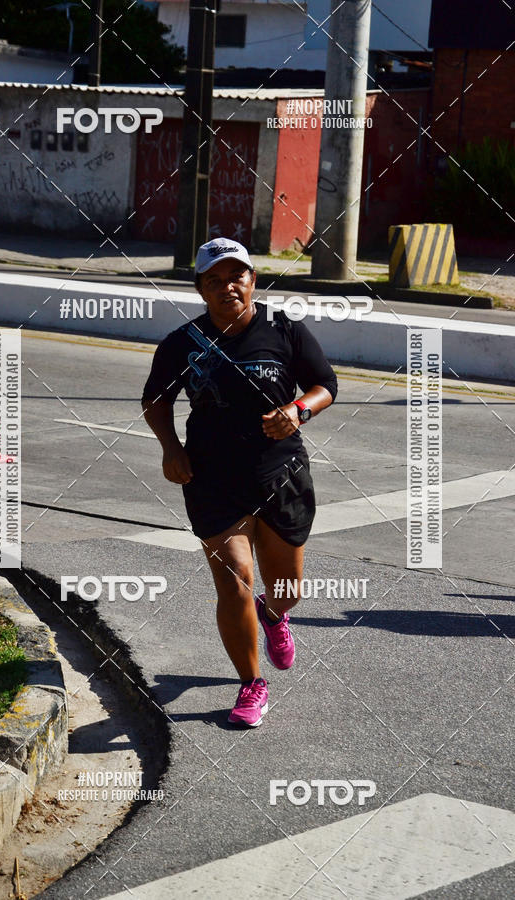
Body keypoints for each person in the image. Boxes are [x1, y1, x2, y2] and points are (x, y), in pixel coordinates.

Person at [141, 237, 337, 727]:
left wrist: (297, 411)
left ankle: (276, 615)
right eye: (214, 280)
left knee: (285, 587)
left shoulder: (284, 330)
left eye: (237, 276)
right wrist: (171, 447)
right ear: (201, 290)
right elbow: (155, 401)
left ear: (252, 281)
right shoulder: (182, 343)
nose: (228, 286)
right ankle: (252, 684)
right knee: (235, 582)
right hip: (211, 477)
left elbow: (325, 386)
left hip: (280, 473)